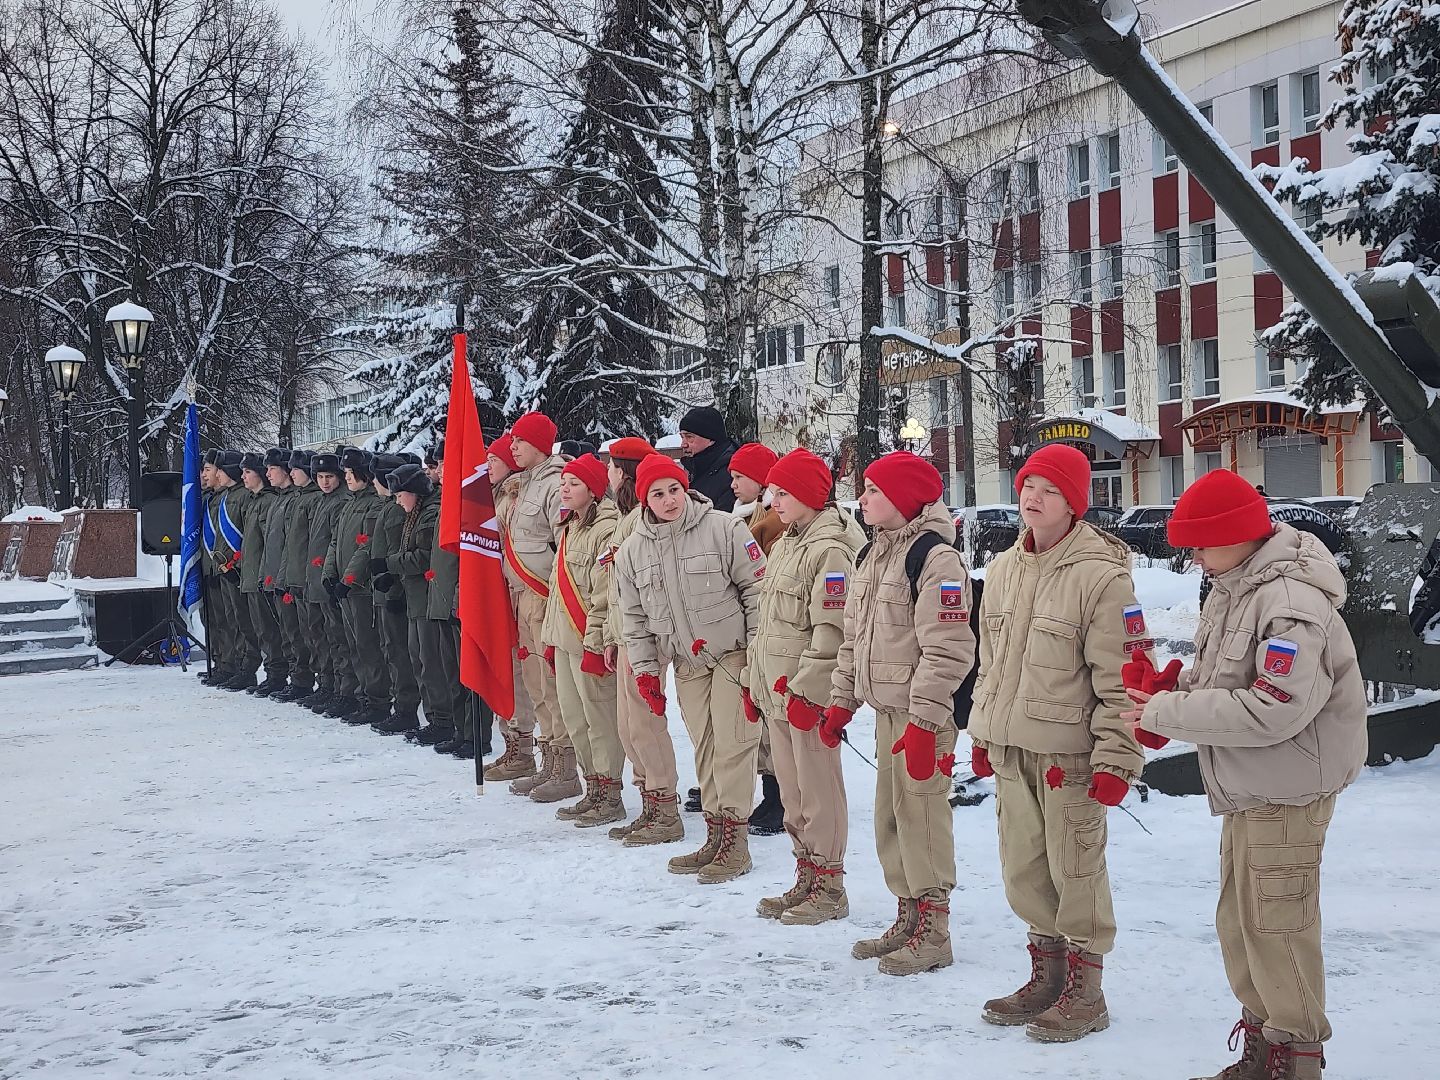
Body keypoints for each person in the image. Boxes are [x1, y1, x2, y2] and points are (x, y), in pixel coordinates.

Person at [1124, 470, 1366, 1080]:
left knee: (1278, 924)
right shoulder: (1237, 587)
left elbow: (1274, 706)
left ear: (1236, 535)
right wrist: (1170, 688)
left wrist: (1164, 711)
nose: (1194, 557)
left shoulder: (1289, 604)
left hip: (1286, 788)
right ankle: (1266, 1043)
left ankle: (1296, 1056)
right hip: (1251, 785)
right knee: (1242, 922)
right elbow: (1227, 680)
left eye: (1201, 544)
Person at [968, 444, 1148, 1039]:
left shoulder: (1101, 576)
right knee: (1023, 867)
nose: (1033, 497)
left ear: (1074, 502)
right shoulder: (1001, 570)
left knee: (1076, 869)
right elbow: (989, 662)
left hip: (1069, 755)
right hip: (1012, 747)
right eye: (1027, 485)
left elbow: (1121, 677)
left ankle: (1085, 989)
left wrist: (1118, 756)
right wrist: (983, 730)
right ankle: (1046, 975)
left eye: (1049, 489)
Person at [827, 451, 973, 976]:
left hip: (922, 720)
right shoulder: (871, 555)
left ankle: (935, 930)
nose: (862, 500)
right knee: (891, 820)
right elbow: (853, 640)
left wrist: (926, 720)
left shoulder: (936, 560)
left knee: (923, 819)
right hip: (887, 711)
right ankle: (907, 915)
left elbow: (949, 648)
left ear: (906, 500)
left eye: (873, 491)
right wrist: (841, 702)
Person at [616, 454, 765, 884]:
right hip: (688, 662)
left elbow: (757, 592)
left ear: (686, 488)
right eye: (658, 493)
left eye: (675, 489)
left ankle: (736, 841)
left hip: (732, 655)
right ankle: (715, 833)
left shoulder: (724, 529)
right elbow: (635, 619)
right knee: (705, 744)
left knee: (734, 743)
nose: (669, 500)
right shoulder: (632, 551)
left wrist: (756, 654)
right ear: (645, 499)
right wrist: (646, 672)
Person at [749, 448, 865, 924]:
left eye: (783, 491)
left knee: (818, 793)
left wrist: (810, 690)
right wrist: (755, 685)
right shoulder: (789, 543)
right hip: (778, 693)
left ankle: (830, 884)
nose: (773, 500)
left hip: (806, 696)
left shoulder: (830, 549)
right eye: (773, 491)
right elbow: (769, 623)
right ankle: (807, 875)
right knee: (793, 795)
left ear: (811, 495)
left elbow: (832, 630)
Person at [601, 438, 684, 846]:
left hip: (647, 638)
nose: (608, 474)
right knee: (629, 726)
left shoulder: (642, 521)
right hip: (627, 634)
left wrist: (637, 639)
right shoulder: (627, 519)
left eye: (612, 467)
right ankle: (650, 801)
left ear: (624, 472)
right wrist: (614, 635)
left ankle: (664, 805)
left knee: (646, 725)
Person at [541, 453, 627, 827]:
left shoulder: (607, 528)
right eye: (563, 483)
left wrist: (595, 642)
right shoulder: (569, 527)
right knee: (575, 719)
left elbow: (603, 593)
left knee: (599, 719)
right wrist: (549, 637)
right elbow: (557, 590)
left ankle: (610, 792)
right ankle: (592, 785)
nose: (564, 488)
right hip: (564, 640)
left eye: (573, 483)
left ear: (593, 490)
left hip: (586, 640)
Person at [505, 413, 581, 803]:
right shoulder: (523, 485)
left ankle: (566, 769)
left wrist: (554, 596)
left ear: (539, 444)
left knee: (552, 687)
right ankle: (549, 762)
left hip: (545, 597)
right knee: (536, 684)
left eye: (519, 440)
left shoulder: (555, 484)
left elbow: (563, 547)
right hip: (523, 597)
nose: (512, 446)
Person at [726, 441, 788, 835]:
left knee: (772, 723)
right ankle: (771, 794)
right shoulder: (745, 516)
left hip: (770, 629)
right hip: (752, 630)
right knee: (761, 721)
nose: (732, 485)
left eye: (739, 477)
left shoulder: (771, 523)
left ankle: (779, 799)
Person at [484, 433, 542, 783]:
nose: (488, 466)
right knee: (505, 671)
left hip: (522, 594)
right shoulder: (494, 497)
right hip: (503, 593)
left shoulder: (516, 496)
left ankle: (523, 748)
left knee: (523, 676)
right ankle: (511, 743)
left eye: (494, 459)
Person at [384, 462, 454, 747]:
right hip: (416, 599)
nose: (398, 500)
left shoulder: (429, 513)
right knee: (419, 658)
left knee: (431, 661)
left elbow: (422, 556)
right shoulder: (416, 513)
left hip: (428, 599)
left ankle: (443, 719)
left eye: (401, 494)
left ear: (414, 491)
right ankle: (434, 717)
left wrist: (388, 565)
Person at [326, 450, 392, 726]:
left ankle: (377, 700)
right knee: (353, 645)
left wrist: (349, 578)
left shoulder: (373, 505)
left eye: (351, 472)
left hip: (360, 588)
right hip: (346, 587)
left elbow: (366, 546)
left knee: (368, 647)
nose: (347, 477)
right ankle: (362, 695)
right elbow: (335, 542)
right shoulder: (348, 504)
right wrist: (330, 574)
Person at [368, 454, 422, 735]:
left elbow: (401, 548)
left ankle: (406, 708)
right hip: (384, 586)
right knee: (391, 650)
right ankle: (401, 705)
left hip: (396, 588)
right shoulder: (390, 506)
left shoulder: (398, 509)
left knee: (401, 653)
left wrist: (394, 588)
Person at [302, 453, 356, 716]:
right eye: (320, 477)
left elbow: (335, 543)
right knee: (320, 636)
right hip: (316, 578)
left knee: (338, 638)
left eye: (330, 477)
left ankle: (345, 689)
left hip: (331, 577)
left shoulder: (341, 502)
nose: (324, 482)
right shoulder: (321, 502)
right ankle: (328, 684)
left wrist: (332, 575)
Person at [276, 450, 323, 703]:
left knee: (317, 636)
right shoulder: (296, 498)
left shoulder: (313, 499)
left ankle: (317, 683)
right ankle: (303, 680)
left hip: (308, 579)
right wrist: (283, 578)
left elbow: (312, 545)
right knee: (299, 634)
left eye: (296, 469)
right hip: (294, 577)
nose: (291, 472)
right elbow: (289, 545)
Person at [235, 451, 284, 695]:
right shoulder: (254, 501)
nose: (243, 477)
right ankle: (272, 672)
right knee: (258, 628)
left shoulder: (267, 502)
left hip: (261, 576)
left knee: (268, 629)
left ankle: (277, 674)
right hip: (251, 575)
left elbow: (269, 542)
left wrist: (266, 574)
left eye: (248, 472)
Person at [259, 447, 299, 697]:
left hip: (286, 577)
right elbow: (269, 543)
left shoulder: (293, 499)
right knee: (281, 631)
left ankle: (299, 679)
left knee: (294, 633)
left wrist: (281, 577)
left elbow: (290, 545)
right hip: (273, 576)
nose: (268, 473)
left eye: (272, 468)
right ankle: (282, 675)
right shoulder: (278, 499)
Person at [678, 405, 739, 512]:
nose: (683, 444)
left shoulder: (732, 472)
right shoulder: (693, 468)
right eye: (682, 437)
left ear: (711, 439)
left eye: (689, 437)